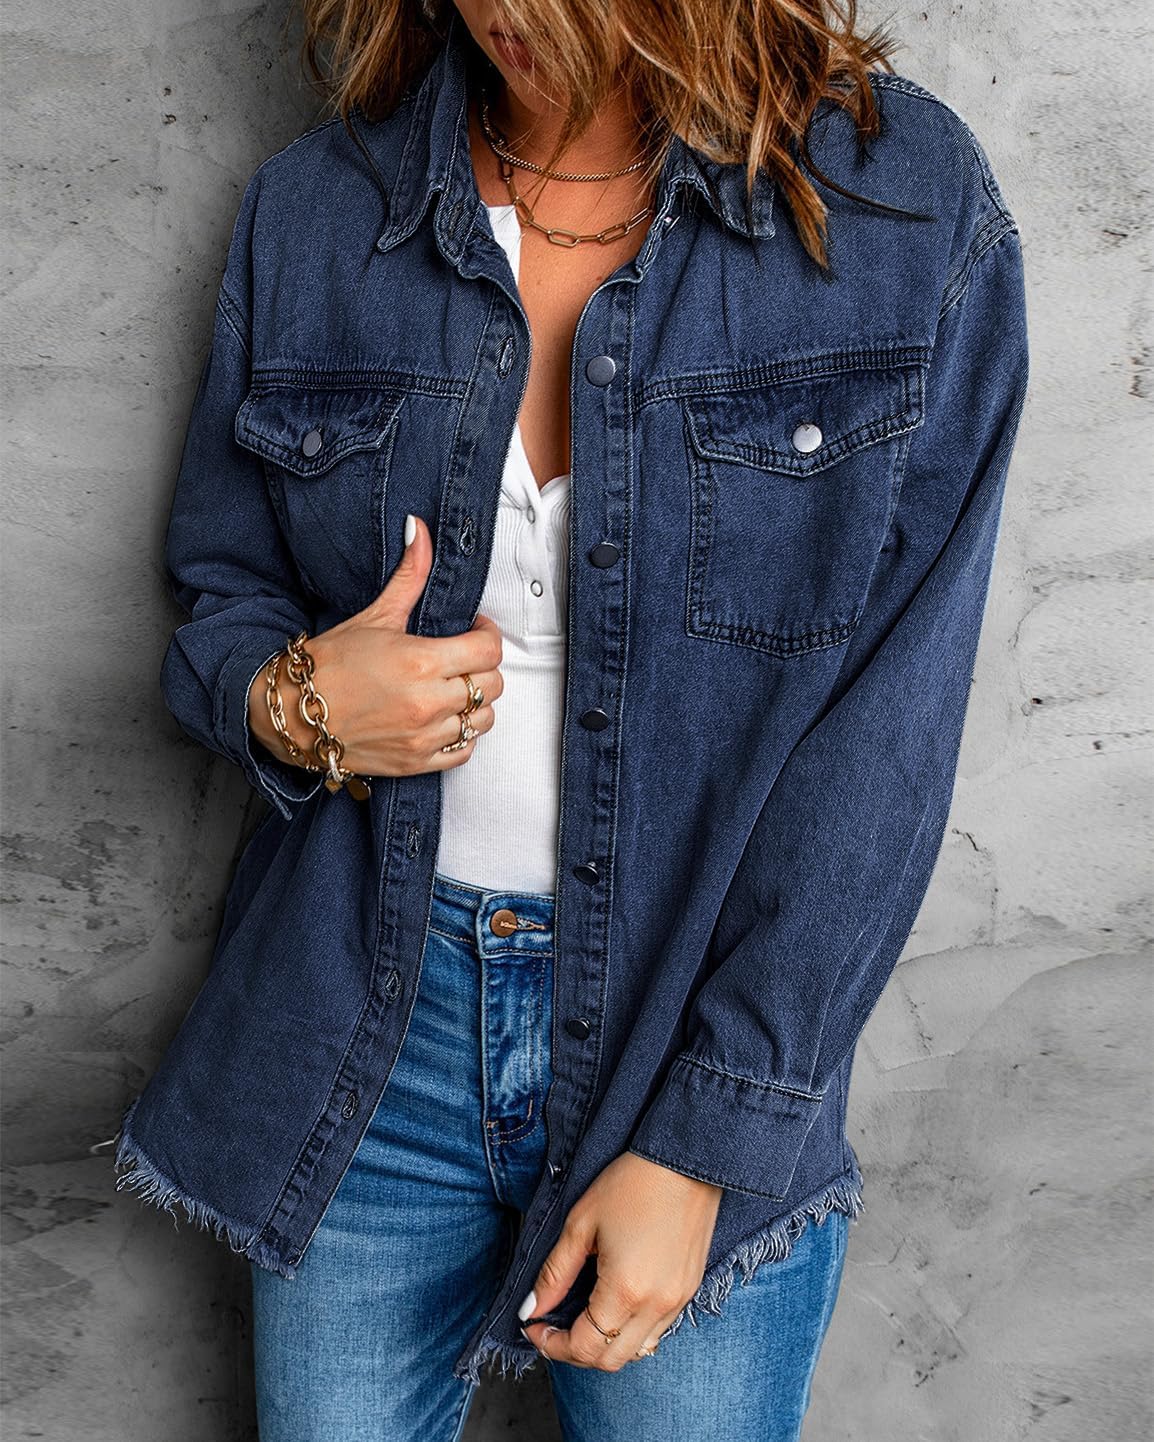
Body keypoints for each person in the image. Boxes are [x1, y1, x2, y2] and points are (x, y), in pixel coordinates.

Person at [105, 1, 1029, 1437]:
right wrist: (298, 701)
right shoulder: (316, 210)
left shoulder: (898, 202)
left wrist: (708, 1134)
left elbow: (887, 734)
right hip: (365, 1037)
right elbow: (221, 589)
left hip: (686, 1037)